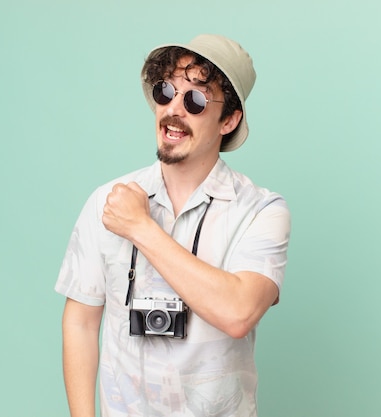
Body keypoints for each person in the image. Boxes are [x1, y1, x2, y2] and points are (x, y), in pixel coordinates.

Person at [55, 34, 291, 417]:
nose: (173, 110)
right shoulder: (107, 201)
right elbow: (80, 322)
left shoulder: (260, 210)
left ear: (228, 120)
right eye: (166, 92)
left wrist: (140, 228)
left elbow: (237, 313)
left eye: (195, 99)